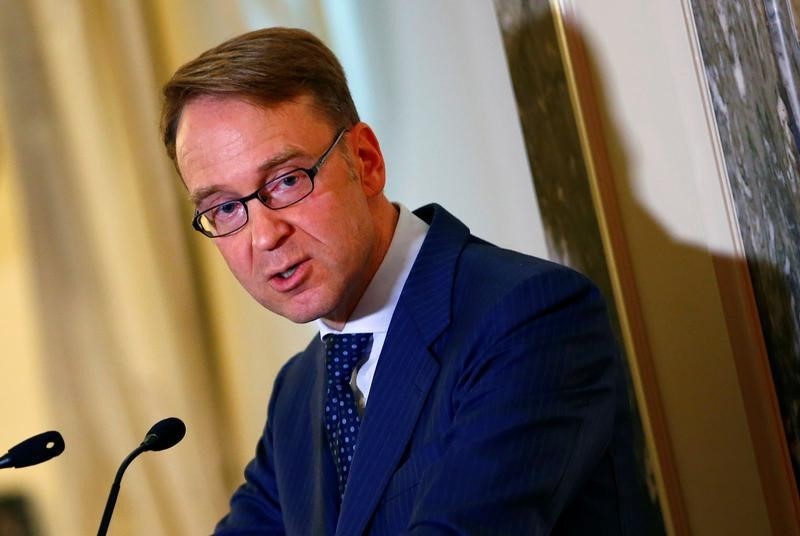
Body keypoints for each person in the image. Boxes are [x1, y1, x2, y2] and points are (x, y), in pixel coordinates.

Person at [161, 27, 640, 535]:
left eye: (286, 181)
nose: (264, 236)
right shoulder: (297, 393)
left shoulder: (528, 317)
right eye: (226, 208)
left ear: (365, 162)